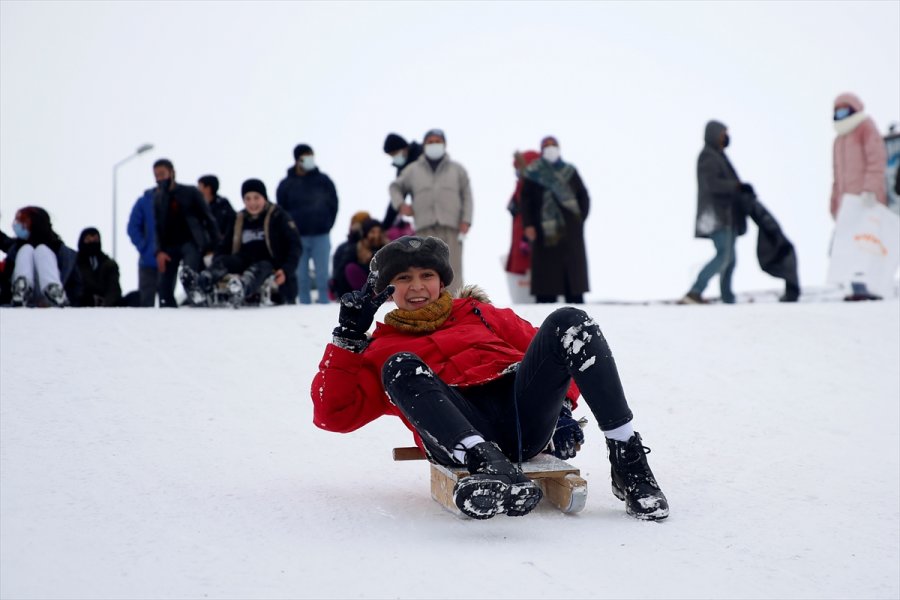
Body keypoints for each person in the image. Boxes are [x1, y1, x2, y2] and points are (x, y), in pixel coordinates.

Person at [311, 235, 668, 521]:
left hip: (520, 417)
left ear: (441, 282)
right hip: (457, 433)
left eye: (427, 276)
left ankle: (628, 461)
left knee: (570, 322)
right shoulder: (379, 348)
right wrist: (348, 339)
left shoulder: (478, 314)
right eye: (403, 278)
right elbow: (333, 415)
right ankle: (485, 464)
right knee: (400, 364)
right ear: (388, 290)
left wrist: (563, 409)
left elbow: (552, 353)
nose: (417, 286)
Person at [182, 179, 302, 308]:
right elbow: (224, 245)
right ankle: (201, 284)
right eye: (248, 199)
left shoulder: (279, 216)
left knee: (259, 268)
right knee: (226, 262)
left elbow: (295, 246)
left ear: (264, 198)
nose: (252, 203)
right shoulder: (239, 218)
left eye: (256, 198)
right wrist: (218, 260)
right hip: (244, 259)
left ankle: (241, 288)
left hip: (270, 263)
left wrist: (286, 270)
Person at [388, 128, 472, 297]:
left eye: (437, 142)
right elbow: (395, 187)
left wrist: (466, 220)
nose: (434, 145)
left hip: (451, 227)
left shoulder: (457, 170)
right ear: (424, 145)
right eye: (430, 142)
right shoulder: (413, 170)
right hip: (424, 229)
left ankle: (456, 306)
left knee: (453, 268)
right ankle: (431, 304)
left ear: (444, 144)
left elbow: (467, 196)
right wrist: (401, 205)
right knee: (428, 269)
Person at [680, 120, 749, 305]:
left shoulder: (719, 156)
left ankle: (728, 297)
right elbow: (712, 184)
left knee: (730, 259)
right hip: (717, 216)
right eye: (723, 134)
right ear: (714, 135)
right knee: (724, 255)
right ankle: (695, 291)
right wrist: (736, 186)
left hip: (728, 216)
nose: (726, 137)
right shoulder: (708, 157)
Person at [830, 92, 888, 301]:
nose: (841, 115)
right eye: (837, 111)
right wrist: (835, 201)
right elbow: (837, 175)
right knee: (848, 246)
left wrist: (871, 189)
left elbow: (876, 159)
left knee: (868, 244)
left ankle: (870, 286)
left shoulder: (865, 127)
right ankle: (853, 286)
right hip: (848, 203)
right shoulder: (839, 140)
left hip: (866, 199)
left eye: (845, 110)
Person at [520, 137, 590, 304]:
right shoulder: (533, 173)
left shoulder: (570, 171)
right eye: (547, 146)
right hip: (543, 233)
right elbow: (525, 201)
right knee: (546, 283)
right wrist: (529, 225)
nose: (550, 149)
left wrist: (579, 220)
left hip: (570, 233)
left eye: (553, 146)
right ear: (542, 150)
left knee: (573, 283)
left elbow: (583, 197)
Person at [152, 159, 220, 308]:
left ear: (172, 173)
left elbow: (208, 219)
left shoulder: (190, 192)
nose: (159, 178)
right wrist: (158, 252)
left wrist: (215, 246)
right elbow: (157, 228)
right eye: (156, 175)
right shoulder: (158, 199)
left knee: (190, 278)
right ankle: (168, 315)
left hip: (191, 243)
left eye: (162, 174)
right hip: (168, 247)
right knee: (164, 287)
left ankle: (197, 307)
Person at [276, 144, 339, 304]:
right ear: (298, 160)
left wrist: (327, 224)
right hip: (297, 238)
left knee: (322, 275)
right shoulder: (286, 184)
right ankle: (304, 305)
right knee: (301, 276)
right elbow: (281, 210)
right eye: (306, 157)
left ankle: (324, 303)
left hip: (321, 235)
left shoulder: (323, 180)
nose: (310, 160)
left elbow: (334, 204)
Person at [2, 207, 80, 307]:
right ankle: (22, 288)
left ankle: (53, 290)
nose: (17, 224)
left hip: (46, 293)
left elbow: (75, 282)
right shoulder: (17, 247)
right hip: (21, 295)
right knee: (26, 249)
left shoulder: (58, 249)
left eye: (22, 221)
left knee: (42, 250)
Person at [330, 218, 388, 297]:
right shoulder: (356, 249)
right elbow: (341, 271)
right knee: (351, 268)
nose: (376, 235)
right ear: (365, 234)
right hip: (361, 290)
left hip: (383, 287)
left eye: (379, 232)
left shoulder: (388, 248)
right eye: (373, 232)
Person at [381, 133, 422, 238]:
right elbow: (397, 197)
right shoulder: (402, 169)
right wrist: (385, 227)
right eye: (391, 156)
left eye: (395, 153)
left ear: (403, 148)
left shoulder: (424, 156)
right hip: (423, 217)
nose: (394, 158)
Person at [127, 187, 159, 307]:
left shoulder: (174, 200)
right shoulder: (144, 202)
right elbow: (132, 227)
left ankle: (168, 326)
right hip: (147, 261)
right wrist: (144, 246)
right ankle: (146, 326)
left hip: (168, 261)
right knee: (146, 301)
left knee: (167, 302)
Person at [75, 227, 122, 307]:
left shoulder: (109, 264)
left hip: (107, 306)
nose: (92, 243)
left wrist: (105, 303)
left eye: (95, 240)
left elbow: (114, 289)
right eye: (88, 239)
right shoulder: (74, 263)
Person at [197, 174, 237, 244]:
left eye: (200, 186)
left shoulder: (223, 205)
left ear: (208, 188)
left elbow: (232, 222)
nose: (197, 189)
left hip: (220, 245)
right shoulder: (197, 206)